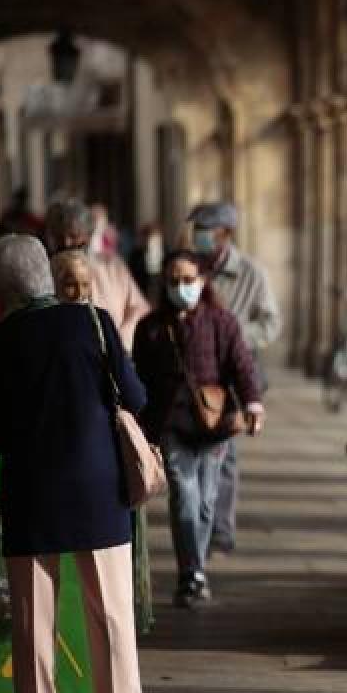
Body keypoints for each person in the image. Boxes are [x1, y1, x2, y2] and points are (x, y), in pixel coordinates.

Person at [0, 234, 146, 693]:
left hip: (31, 495)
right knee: (111, 618)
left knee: (32, 625)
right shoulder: (93, 321)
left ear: (4, 292)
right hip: (98, 489)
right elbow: (134, 397)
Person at [132, 249, 264, 609]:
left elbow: (242, 365)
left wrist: (253, 403)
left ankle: (196, 568)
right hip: (171, 425)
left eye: (188, 280)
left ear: (202, 281)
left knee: (206, 502)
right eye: (174, 280)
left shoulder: (222, 322)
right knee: (185, 498)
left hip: (214, 426)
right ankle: (191, 571)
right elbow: (140, 380)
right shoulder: (151, 328)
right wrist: (138, 425)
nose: (181, 287)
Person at [187, 202, 281, 555]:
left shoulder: (251, 273)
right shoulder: (190, 268)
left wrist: (235, 334)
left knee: (225, 452)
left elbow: (271, 322)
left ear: (224, 234)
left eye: (204, 229)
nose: (197, 236)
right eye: (196, 229)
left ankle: (219, 529)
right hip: (195, 372)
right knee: (192, 447)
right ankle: (199, 520)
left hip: (235, 371)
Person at [46, 199, 149, 350]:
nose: (66, 243)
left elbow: (139, 308)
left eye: (74, 235)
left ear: (88, 235)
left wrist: (121, 338)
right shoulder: (44, 271)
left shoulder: (112, 266)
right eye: (59, 236)